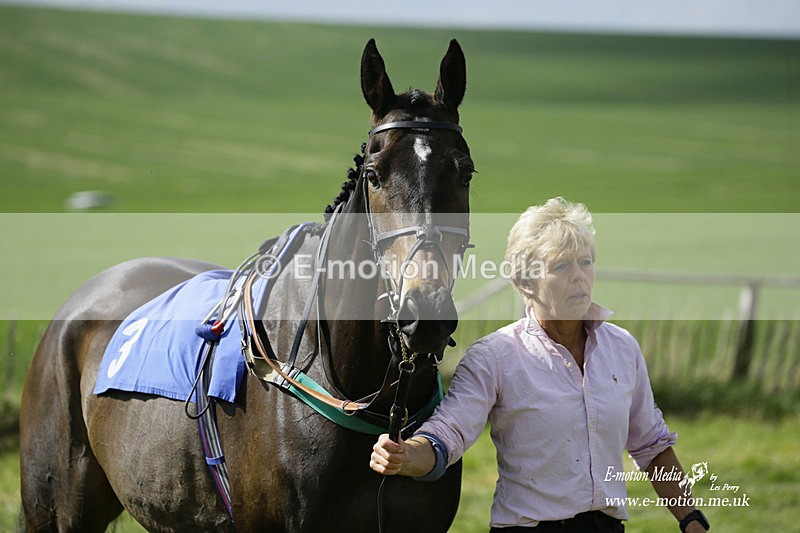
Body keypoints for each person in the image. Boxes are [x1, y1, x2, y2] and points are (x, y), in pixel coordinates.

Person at [369, 197, 710, 533]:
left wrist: (691, 518)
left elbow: (651, 445)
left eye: (585, 262)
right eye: (561, 267)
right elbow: (449, 432)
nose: (579, 277)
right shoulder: (495, 356)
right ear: (523, 282)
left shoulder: (622, 348)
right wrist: (407, 455)